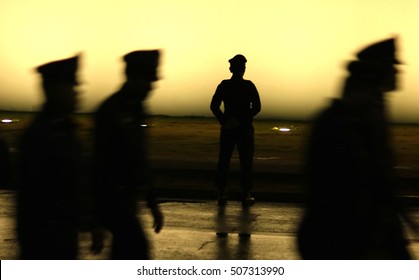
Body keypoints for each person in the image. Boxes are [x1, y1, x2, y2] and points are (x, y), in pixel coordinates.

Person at [297, 38, 415, 259]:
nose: (398, 72)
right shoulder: (351, 119)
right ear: (377, 73)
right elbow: (353, 187)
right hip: (347, 239)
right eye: (393, 67)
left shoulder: (366, 114)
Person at [16, 54, 97, 259]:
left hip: (64, 237)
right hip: (46, 244)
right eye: (71, 87)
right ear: (55, 90)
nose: (76, 93)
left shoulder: (64, 130)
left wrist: (88, 222)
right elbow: (31, 202)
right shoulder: (39, 136)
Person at [92, 50, 164, 260]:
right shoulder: (110, 111)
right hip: (112, 201)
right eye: (147, 81)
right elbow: (99, 165)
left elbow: (141, 158)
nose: (151, 87)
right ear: (133, 77)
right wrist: (95, 219)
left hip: (127, 202)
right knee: (136, 251)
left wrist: (152, 202)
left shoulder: (136, 109)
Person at [210, 54, 261, 206]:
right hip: (243, 129)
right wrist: (243, 119)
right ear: (242, 69)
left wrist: (225, 121)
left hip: (230, 128)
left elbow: (214, 106)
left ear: (231, 68)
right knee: (245, 161)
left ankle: (222, 191)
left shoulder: (224, 85)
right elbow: (257, 107)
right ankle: (245, 192)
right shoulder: (249, 86)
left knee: (224, 160)